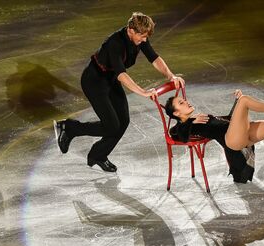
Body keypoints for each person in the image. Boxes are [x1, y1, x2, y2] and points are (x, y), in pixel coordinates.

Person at [53, 12, 185, 172]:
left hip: (110, 80)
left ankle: (98, 155)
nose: (144, 40)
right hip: (94, 81)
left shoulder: (139, 37)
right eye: (141, 37)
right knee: (111, 126)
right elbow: (122, 74)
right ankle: (70, 127)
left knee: (122, 122)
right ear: (131, 30)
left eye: (145, 37)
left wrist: (171, 76)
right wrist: (143, 92)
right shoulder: (114, 43)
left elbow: (154, 58)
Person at [166, 89, 264, 183]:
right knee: (245, 100)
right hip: (233, 141)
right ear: (177, 113)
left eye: (183, 100)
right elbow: (173, 134)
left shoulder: (199, 117)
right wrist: (190, 122)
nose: (186, 102)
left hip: (240, 133)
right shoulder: (187, 126)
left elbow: (229, 119)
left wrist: (236, 103)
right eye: (181, 103)